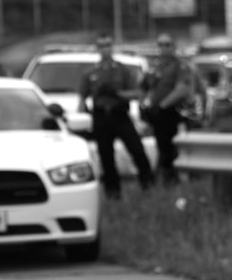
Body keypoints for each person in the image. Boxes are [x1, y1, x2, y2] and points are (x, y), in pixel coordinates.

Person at [77, 33, 154, 199]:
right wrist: (82, 117)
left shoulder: (122, 70)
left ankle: (148, 184)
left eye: (108, 45)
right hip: (100, 116)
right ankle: (113, 193)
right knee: (106, 156)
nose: (105, 49)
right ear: (98, 49)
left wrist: (118, 93)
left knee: (136, 149)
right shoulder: (91, 73)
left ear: (112, 47)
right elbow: (82, 98)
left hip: (119, 114)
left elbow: (137, 93)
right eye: (102, 45)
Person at [140, 33, 192, 187]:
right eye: (160, 44)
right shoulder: (155, 67)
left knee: (171, 149)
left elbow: (182, 89)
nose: (163, 48)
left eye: (167, 44)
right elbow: (145, 88)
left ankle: (173, 181)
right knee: (161, 147)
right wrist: (144, 105)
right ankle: (164, 180)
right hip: (157, 114)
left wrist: (162, 106)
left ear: (174, 46)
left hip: (172, 112)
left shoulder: (180, 66)